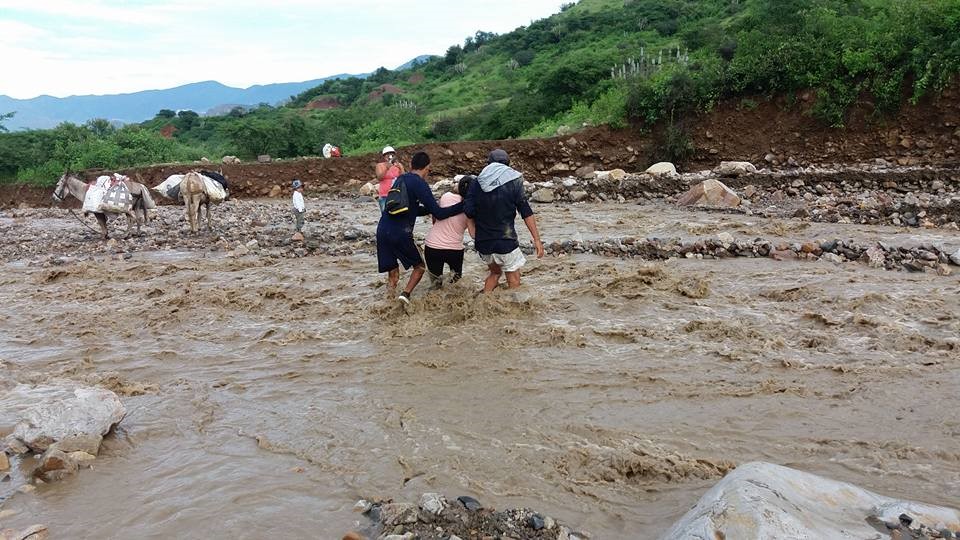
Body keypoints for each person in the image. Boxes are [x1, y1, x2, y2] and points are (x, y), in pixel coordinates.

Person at [376, 151, 463, 306]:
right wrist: (462, 205)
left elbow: (410, 209)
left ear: (410, 166)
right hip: (400, 232)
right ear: (427, 168)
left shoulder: (400, 179)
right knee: (420, 267)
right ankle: (405, 295)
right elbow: (440, 214)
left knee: (393, 273)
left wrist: (430, 209)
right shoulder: (419, 183)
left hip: (382, 229)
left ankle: (389, 303)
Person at [465, 149, 544, 293]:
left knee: (495, 273)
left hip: (483, 243)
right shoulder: (513, 182)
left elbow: (469, 211)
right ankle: (515, 313)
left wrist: (473, 232)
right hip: (505, 241)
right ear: (507, 165)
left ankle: (484, 303)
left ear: (488, 164)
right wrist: (537, 239)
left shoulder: (476, 183)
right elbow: (525, 211)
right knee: (513, 277)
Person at [424, 175, 476, 288]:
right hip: (454, 250)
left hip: (432, 247)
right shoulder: (471, 209)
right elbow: (473, 234)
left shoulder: (445, 196)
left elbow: (434, 218)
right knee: (456, 285)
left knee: (435, 285)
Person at [375, 146, 404, 212]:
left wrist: (400, 168)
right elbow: (380, 178)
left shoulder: (398, 165)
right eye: (387, 154)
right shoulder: (380, 165)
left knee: (397, 216)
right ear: (384, 156)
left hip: (397, 195)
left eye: (391, 154)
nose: (389, 156)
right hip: (384, 195)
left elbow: (404, 178)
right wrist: (386, 168)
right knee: (385, 216)